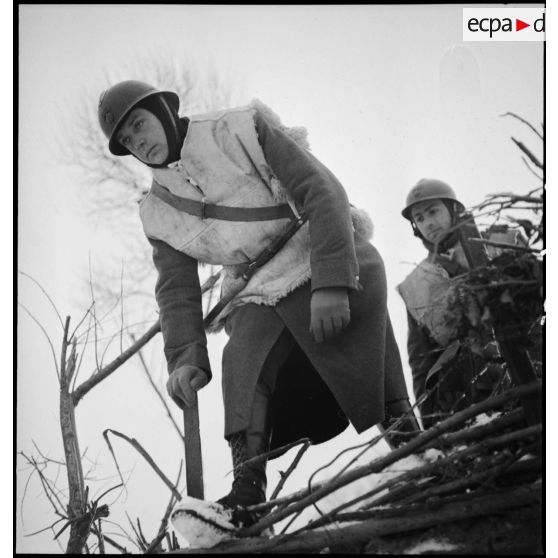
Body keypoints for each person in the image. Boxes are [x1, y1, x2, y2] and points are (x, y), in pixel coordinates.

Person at [97, 80, 420, 527]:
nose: (140, 141)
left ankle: (414, 451)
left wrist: (331, 283)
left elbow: (322, 190)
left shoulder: (239, 128)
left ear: (163, 111)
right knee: (242, 358)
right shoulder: (156, 212)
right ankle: (246, 496)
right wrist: (185, 358)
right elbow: (176, 291)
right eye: (129, 141)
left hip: (319, 250)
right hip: (256, 288)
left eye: (140, 124)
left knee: (369, 354)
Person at [396, 178, 525, 429]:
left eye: (433, 211)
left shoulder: (501, 241)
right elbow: (421, 362)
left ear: (454, 210)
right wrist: (432, 427)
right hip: (474, 392)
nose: (428, 223)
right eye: (420, 218)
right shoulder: (416, 284)